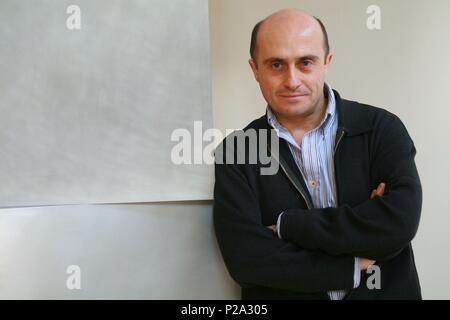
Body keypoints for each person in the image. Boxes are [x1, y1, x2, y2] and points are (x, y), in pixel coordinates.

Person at [213, 9, 422, 300]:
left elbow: (398, 224)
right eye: (276, 64)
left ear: (327, 62)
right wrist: (349, 263)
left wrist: (287, 227)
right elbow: (246, 259)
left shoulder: (380, 129)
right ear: (255, 69)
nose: (292, 80)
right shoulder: (236, 152)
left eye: (305, 62)